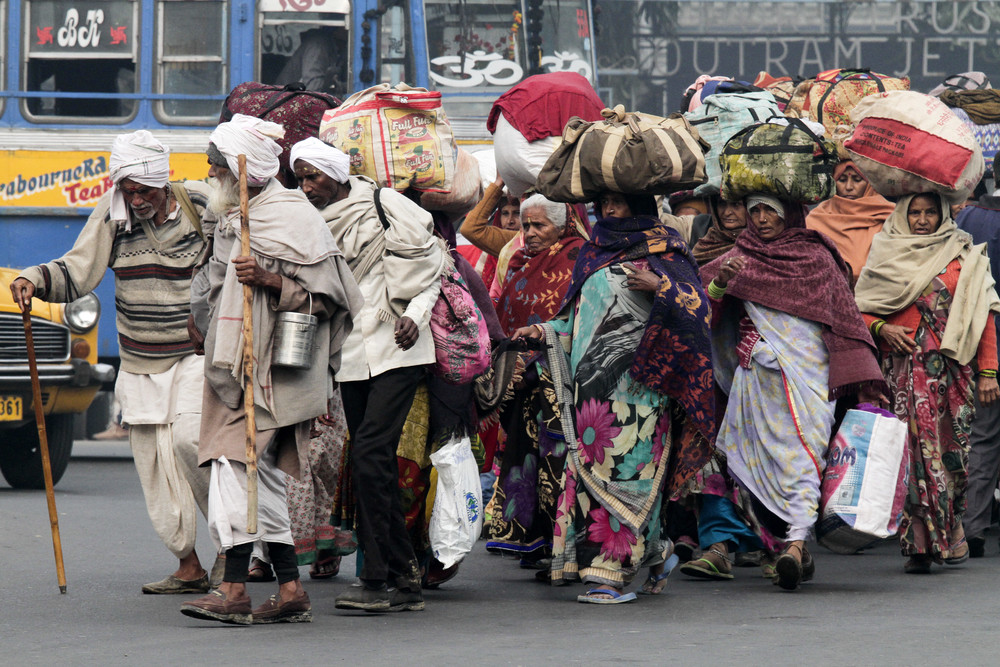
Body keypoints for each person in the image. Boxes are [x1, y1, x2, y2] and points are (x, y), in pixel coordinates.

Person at [10, 131, 218, 595]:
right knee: (152, 465)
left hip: (196, 354)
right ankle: (188, 563)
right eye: (129, 188)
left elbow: (240, 250)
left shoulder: (202, 204)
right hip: (140, 358)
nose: (137, 198)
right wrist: (34, 279)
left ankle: (232, 553)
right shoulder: (113, 213)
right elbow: (78, 269)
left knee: (191, 442)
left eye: (145, 190)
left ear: (163, 183)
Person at [180, 115, 362, 625]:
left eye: (217, 166)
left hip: (275, 372)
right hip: (232, 366)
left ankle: (235, 587)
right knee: (261, 478)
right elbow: (216, 291)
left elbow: (332, 299)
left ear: (244, 171)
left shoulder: (292, 217)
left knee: (235, 471)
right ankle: (289, 589)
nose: (211, 173)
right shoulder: (232, 217)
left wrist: (268, 279)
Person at [513, 191, 716, 604]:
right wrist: (546, 331)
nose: (609, 209)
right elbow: (577, 317)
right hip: (591, 393)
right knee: (592, 479)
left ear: (639, 203)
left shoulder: (667, 251)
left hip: (641, 391)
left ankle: (610, 574)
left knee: (632, 478)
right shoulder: (593, 253)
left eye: (619, 201)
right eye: (604, 201)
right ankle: (658, 553)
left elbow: (700, 311)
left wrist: (661, 287)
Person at [702, 194, 886, 591]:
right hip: (755, 382)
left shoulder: (816, 259)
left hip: (810, 377)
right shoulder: (741, 257)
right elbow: (699, 306)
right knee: (751, 465)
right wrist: (719, 283)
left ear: (790, 213)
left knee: (803, 458)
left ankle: (797, 543)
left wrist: (863, 377)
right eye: (755, 211)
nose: (763, 218)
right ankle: (785, 546)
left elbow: (845, 320)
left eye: (770, 210)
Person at [293, 141, 448, 613]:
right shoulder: (309, 221)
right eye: (299, 179)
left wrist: (415, 317)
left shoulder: (385, 205)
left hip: (398, 350)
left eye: (312, 177)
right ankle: (386, 577)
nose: (306, 187)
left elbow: (432, 267)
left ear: (335, 174)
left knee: (370, 456)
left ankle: (400, 575)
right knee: (368, 465)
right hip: (351, 357)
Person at [856, 192, 1000, 573]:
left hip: (952, 373)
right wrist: (882, 328)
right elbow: (861, 307)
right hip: (902, 374)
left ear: (942, 213)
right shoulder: (887, 251)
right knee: (909, 456)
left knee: (954, 457)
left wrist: (988, 371)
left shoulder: (963, 252)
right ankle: (918, 543)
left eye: (929, 212)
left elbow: (981, 315)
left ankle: (950, 532)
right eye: (914, 212)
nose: (921, 219)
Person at [487, 194, 585, 564]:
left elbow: (577, 318)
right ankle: (532, 540)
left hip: (559, 382)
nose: (529, 233)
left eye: (538, 225)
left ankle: (560, 544)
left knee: (557, 463)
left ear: (561, 226)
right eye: (526, 225)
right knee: (525, 458)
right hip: (522, 381)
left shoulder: (577, 258)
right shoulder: (517, 261)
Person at [956, 167, 1000, 558]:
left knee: (983, 439)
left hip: (980, 347)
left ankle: (973, 527)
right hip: (986, 345)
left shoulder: (966, 219)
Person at [806, 160, 895, 283]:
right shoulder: (817, 219)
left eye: (857, 180)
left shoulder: (888, 215)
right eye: (842, 180)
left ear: (870, 183)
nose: (849, 187)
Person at [691, 198, 749, 266]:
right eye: (722, 204)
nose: (727, 213)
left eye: (735, 204)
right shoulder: (707, 243)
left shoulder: (758, 243)